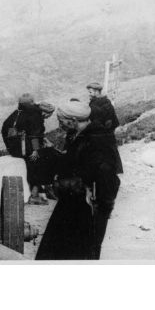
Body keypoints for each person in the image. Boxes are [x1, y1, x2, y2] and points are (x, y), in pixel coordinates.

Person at [35, 100, 121, 260]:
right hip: (73, 203)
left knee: (78, 252)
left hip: (86, 209)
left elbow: (106, 177)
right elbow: (77, 164)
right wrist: (53, 153)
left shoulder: (97, 140)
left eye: (61, 121)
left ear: (73, 121)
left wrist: (101, 206)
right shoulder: (79, 135)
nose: (60, 125)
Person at [1, 93, 46, 204]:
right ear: (31, 103)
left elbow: (4, 130)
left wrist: (10, 146)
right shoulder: (34, 113)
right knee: (38, 164)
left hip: (15, 150)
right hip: (29, 148)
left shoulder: (15, 114)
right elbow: (35, 134)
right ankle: (35, 195)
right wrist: (36, 150)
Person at [86, 82, 123, 174]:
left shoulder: (95, 105)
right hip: (108, 135)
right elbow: (114, 121)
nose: (89, 94)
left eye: (90, 92)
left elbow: (94, 120)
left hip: (98, 136)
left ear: (97, 92)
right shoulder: (107, 102)